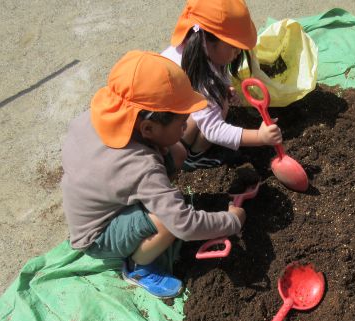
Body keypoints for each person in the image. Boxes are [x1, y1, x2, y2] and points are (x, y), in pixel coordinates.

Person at [61, 51, 245, 299]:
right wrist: (232, 221)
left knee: (177, 152)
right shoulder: (141, 167)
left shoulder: (98, 117)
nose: (186, 125)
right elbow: (184, 225)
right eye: (182, 123)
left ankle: (151, 205)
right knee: (165, 221)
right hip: (97, 235)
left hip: (99, 193)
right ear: (148, 128)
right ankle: (139, 267)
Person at [161, 0, 282, 170]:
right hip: (165, 147)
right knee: (217, 100)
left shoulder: (194, 46)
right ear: (208, 41)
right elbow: (214, 130)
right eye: (234, 47)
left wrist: (225, 88)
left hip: (167, 123)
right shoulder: (205, 80)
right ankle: (195, 157)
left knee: (218, 97)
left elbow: (217, 74)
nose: (238, 52)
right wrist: (259, 137)